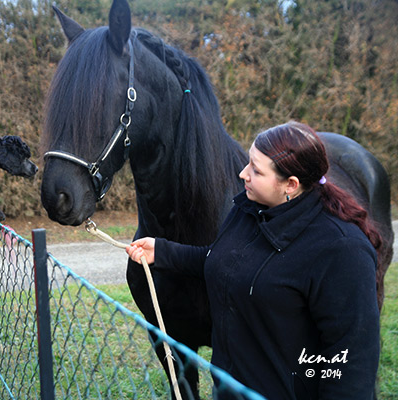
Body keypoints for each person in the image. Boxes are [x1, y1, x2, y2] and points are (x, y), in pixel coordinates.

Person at [126, 121, 381, 399]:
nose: (242, 173)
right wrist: (162, 251)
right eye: (249, 163)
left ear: (291, 184)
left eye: (256, 170)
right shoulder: (248, 210)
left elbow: (351, 360)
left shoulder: (341, 249)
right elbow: (223, 260)